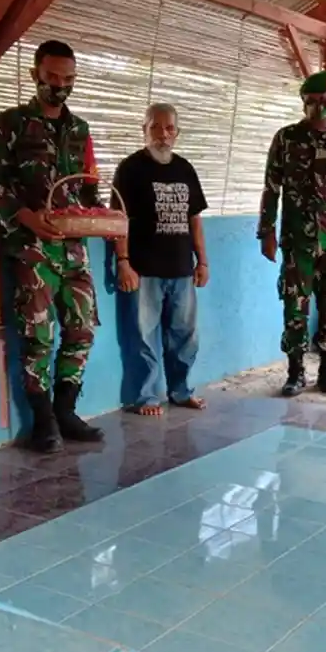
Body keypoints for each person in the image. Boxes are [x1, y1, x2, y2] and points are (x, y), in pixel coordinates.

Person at [0, 39, 105, 452]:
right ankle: (43, 421)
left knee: (83, 328)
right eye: (52, 77)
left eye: (68, 79)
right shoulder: (11, 123)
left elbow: (88, 188)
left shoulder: (80, 129)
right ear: (36, 73)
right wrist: (26, 218)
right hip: (32, 248)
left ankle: (67, 410)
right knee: (37, 335)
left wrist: (106, 216)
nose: (60, 86)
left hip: (75, 247)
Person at [258, 70, 326, 398]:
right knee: (295, 306)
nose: (319, 107)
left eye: (325, 102)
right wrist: (265, 232)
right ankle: (295, 372)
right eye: (312, 102)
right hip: (297, 241)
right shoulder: (286, 139)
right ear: (303, 103)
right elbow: (270, 187)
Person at [112, 102, 209, 416]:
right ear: (144, 129)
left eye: (169, 128)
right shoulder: (130, 169)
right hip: (144, 270)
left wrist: (202, 261)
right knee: (142, 337)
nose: (162, 135)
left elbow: (195, 218)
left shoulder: (184, 168)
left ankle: (180, 392)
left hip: (181, 270)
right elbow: (119, 219)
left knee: (185, 337)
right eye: (155, 127)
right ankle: (145, 398)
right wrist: (123, 262)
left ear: (177, 133)